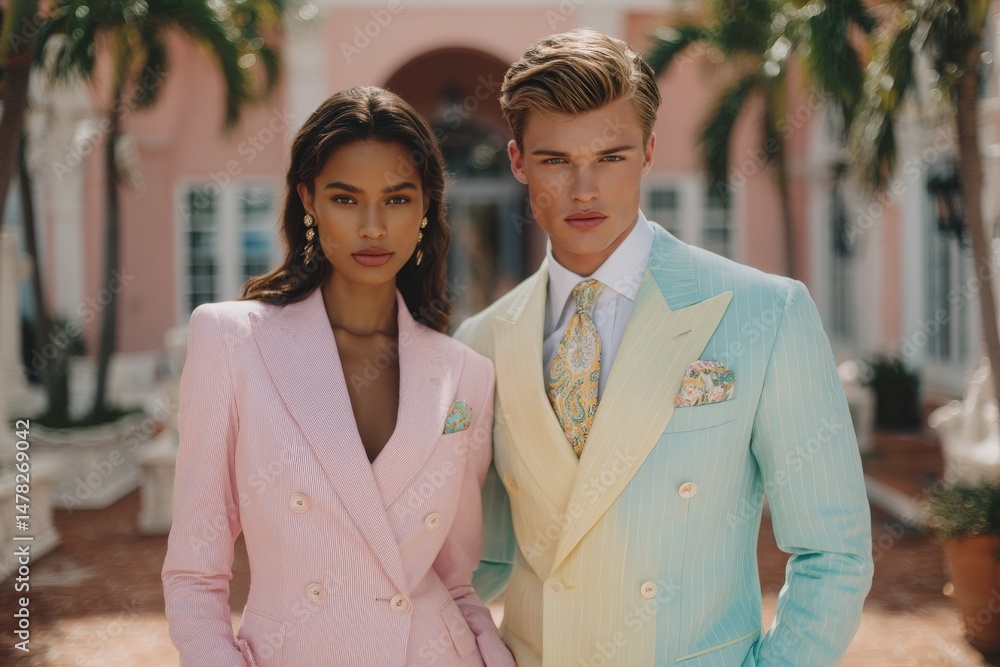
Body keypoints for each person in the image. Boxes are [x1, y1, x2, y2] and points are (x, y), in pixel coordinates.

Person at [454, 28, 874, 666]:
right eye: (555, 160)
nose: (584, 188)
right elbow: (472, 564)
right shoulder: (480, 340)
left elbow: (833, 550)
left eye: (611, 157)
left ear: (649, 152)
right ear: (517, 161)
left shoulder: (766, 312)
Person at [162, 86, 514, 667]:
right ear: (308, 200)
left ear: (426, 205)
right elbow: (196, 575)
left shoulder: (465, 375)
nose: (373, 227)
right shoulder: (233, 341)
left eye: (397, 200)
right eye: (346, 199)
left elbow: (456, 581)